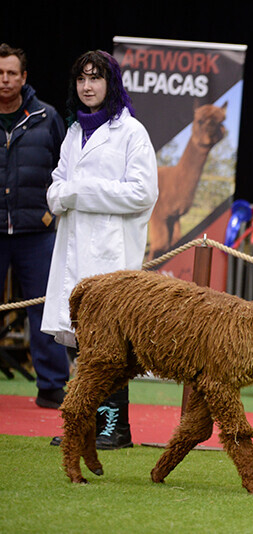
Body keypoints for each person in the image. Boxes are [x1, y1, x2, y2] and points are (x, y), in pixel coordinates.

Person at [42, 50, 158, 450]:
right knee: (82, 339)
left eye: (95, 78)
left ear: (112, 84)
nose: (87, 86)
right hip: (75, 248)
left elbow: (144, 193)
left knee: (110, 344)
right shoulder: (75, 132)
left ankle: (114, 428)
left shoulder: (131, 132)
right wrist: (61, 194)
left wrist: (78, 192)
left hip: (110, 252)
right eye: (81, 79)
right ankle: (84, 425)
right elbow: (57, 183)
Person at [0, 43, 69, 409]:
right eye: (0, 73)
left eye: (12, 73)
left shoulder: (48, 117)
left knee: (46, 308)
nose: (5, 79)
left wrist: (51, 214)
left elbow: (67, 168)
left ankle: (52, 386)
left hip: (37, 232)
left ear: (24, 77)